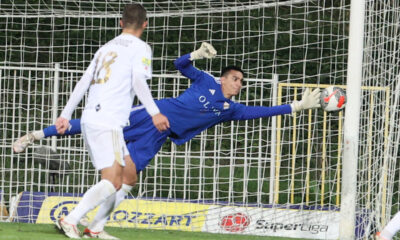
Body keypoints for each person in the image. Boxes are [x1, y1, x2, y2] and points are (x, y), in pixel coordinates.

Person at [13, 42, 320, 237]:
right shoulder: (206, 81)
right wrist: (195, 55)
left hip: (160, 135)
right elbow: (181, 66)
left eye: (241, 82)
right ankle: (35, 135)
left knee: (128, 180)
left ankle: (95, 227)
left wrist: (294, 106)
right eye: (235, 79)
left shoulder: (230, 109)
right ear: (223, 77)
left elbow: (260, 112)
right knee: (91, 123)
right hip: (152, 115)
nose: (239, 84)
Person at [50, 3, 169, 239]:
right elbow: (138, 80)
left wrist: (65, 114)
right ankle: (70, 219)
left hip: (93, 117)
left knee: (128, 176)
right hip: (109, 120)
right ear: (145, 24)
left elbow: (84, 81)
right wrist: (155, 112)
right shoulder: (141, 48)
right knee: (113, 181)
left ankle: (95, 228)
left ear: (121, 22)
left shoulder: (105, 48)